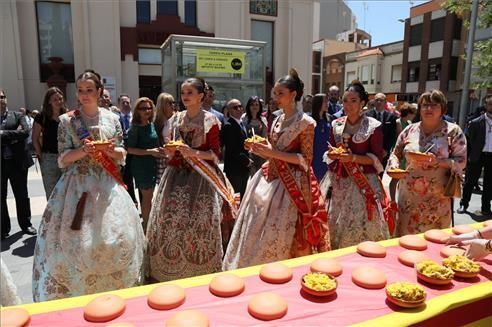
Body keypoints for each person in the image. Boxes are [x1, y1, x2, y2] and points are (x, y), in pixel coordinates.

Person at [32, 71, 145, 301]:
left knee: (113, 237)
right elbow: (62, 159)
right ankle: (81, 290)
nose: (84, 95)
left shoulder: (112, 118)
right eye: (80, 90)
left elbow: (122, 152)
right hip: (77, 187)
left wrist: (110, 151)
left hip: (107, 185)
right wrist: (84, 151)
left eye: (89, 90)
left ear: (100, 92)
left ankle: (114, 288)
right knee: (76, 240)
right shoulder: (67, 120)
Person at [223, 69, 330, 270]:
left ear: (293, 95)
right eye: (275, 93)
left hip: (293, 184)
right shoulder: (277, 118)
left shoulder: (306, 123)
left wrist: (271, 152)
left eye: (280, 93)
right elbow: (276, 148)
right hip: (270, 176)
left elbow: (306, 161)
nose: (275, 98)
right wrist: (260, 146)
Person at [146, 77, 236, 282]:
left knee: (200, 222)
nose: (185, 96)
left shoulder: (210, 121)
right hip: (176, 176)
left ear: (201, 96)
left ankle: (199, 266)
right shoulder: (175, 119)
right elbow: (172, 151)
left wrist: (193, 152)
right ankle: (169, 264)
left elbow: (214, 155)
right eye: (183, 92)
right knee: (170, 221)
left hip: (201, 178)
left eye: (190, 93)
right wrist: (169, 151)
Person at [319, 81, 391, 249]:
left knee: (358, 225)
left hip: (363, 183)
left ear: (362, 103)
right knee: (332, 222)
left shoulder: (372, 126)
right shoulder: (336, 124)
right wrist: (332, 154)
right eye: (345, 100)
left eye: (353, 100)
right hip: (337, 181)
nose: (348, 105)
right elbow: (331, 150)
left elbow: (376, 159)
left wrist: (353, 159)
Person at [387, 90, 467, 236]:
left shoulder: (453, 131)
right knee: (406, 238)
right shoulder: (410, 130)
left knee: (434, 240)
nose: (428, 109)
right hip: (408, 197)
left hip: (438, 198)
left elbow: (461, 161)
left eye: (434, 105)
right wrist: (394, 165)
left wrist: (438, 161)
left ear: (443, 108)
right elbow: (396, 153)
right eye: (425, 105)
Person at [0, 89, 37, 239]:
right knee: (1, 197)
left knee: (22, 195)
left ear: (6, 99)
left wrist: (2, 134)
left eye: (2, 97)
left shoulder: (18, 115)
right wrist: (13, 136)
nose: (0, 100)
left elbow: (25, 132)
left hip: (17, 163)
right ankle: (3, 228)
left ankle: (26, 224)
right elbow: (18, 134)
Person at [127, 97, 162, 230]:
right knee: (147, 197)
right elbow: (129, 149)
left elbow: (155, 143)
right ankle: (147, 228)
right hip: (141, 165)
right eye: (143, 108)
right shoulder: (135, 128)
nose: (146, 111)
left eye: (149, 108)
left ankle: (149, 224)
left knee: (150, 196)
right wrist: (150, 152)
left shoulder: (151, 124)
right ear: (137, 111)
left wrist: (160, 150)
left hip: (152, 163)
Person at [458, 94, 492, 216]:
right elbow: (469, 141)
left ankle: (486, 208)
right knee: (470, 182)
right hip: (478, 155)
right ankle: (463, 204)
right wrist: (466, 159)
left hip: (491, 156)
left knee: (489, 183)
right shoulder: (476, 122)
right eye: (490, 104)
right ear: (485, 105)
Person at [32, 87, 67, 199]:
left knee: (67, 191)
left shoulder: (66, 115)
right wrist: (40, 155)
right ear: (49, 101)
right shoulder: (41, 117)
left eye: (60, 99)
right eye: (55, 99)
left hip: (67, 157)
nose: (59, 102)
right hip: (49, 158)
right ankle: (52, 216)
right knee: (52, 192)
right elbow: (35, 138)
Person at [221, 99, 251, 199]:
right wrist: (246, 160)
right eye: (235, 107)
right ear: (229, 110)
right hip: (235, 169)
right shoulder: (228, 126)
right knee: (236, 198)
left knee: (243, 196)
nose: (239, 109)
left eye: (240, 106)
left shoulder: (242, 123)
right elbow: (232, 149)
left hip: (243, 168)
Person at [389, 102, 417, 202]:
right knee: (395, 178)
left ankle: (401, 198)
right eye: (413, 113)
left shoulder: (410, 124)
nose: (414, 115)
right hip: (399, 153)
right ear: (408, 113)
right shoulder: (398, 122)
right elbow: (399, 139)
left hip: (407, 153)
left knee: (404, 178)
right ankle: (392, 200)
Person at [365, 92, 397, 171]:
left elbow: (392, 135)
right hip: (369, 152)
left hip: (384, 152)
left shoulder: (391, 117)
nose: (379, 102)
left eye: (381, 100)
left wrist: (386, 150)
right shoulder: (366, 115)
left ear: (385, 102)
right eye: (377, 100)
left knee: (380, 175)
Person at [117, 94, 138, 207]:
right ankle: (131, 201)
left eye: (127, 102)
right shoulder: (116, 118)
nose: (126, 104)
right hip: (123, 152)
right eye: (123, 102)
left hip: (136, 152)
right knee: (127, 177)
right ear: (119, 105)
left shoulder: (136, 117)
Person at [154, 92, 177, 184]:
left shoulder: (178, 118)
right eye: (169, 103)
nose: (173, 105)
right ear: (162, 105)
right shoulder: (156, 122)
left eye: (173, 102)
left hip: (177, 156)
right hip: (163, 158)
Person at [243, 96, 268, 174]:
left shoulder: (263, 119)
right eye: (252, 104)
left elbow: (265, 137)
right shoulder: (244, 118)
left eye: (257, 104)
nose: (254, 106)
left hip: (260, 152)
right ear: (248, 106)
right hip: (247, 152)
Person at [311, 93, 331, 181]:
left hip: (327, 156)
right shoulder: (309, 120)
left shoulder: (329, 118)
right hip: (314, 155)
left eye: (328, 101)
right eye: (325, 102)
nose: (327, 104)